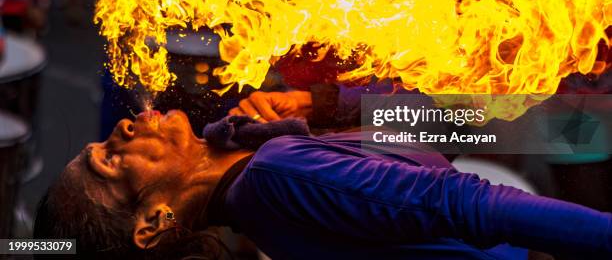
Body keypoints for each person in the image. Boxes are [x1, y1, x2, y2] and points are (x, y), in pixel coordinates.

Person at [35, 109, 612, 259]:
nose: (120, 128)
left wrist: (320, 112)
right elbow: (469, 203)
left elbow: (430, 137)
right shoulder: (275, 175)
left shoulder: (260, 187)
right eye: (110, 159)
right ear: (155, 222)